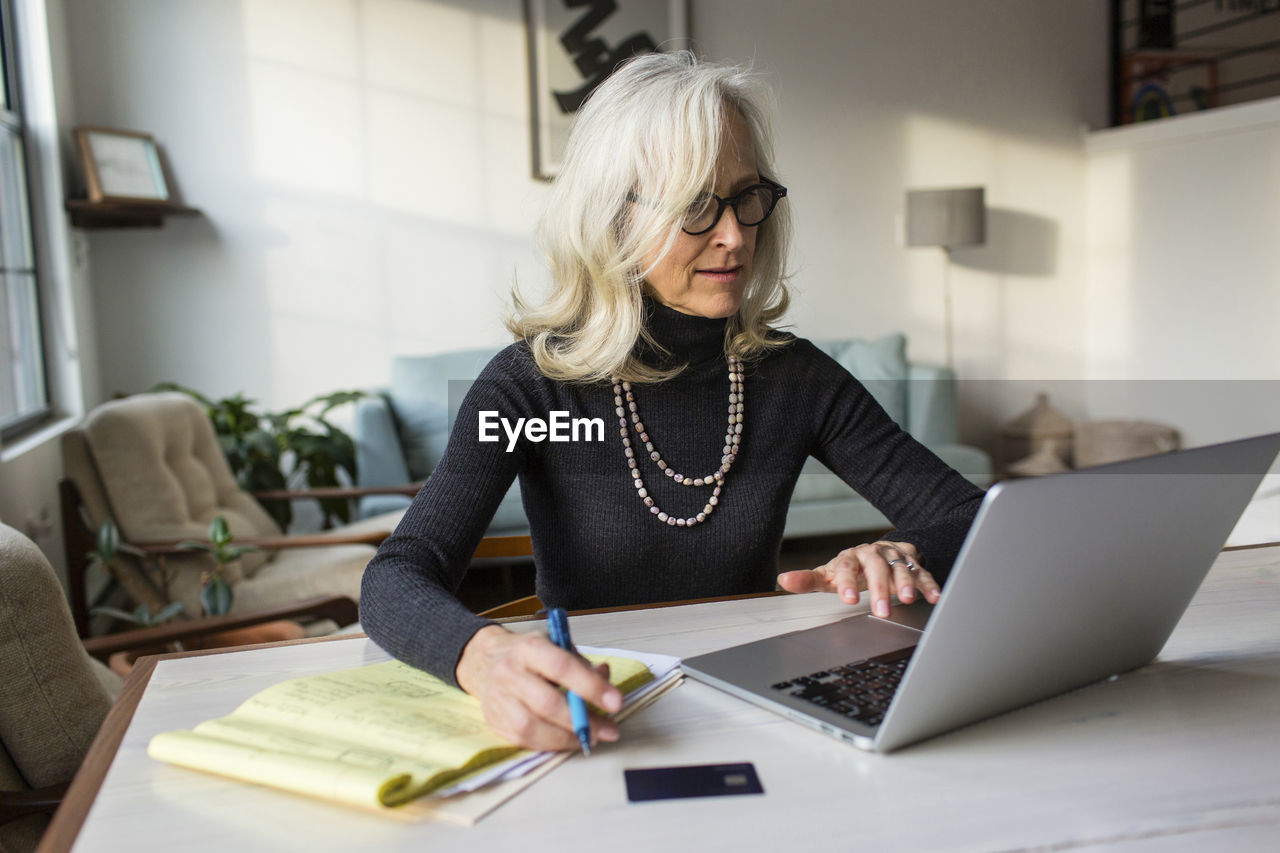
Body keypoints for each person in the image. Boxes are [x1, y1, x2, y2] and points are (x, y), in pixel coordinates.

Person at [361, 51, 984, 754]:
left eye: (747, 197)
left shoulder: (795, 378)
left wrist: (901, 549)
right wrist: (484, 655)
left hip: (755, 708)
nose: (735, 234)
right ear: (613, 218)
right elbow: (396, 575)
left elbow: (971, 515)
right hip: (599, 716)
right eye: (695, 206)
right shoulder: (531, 386)